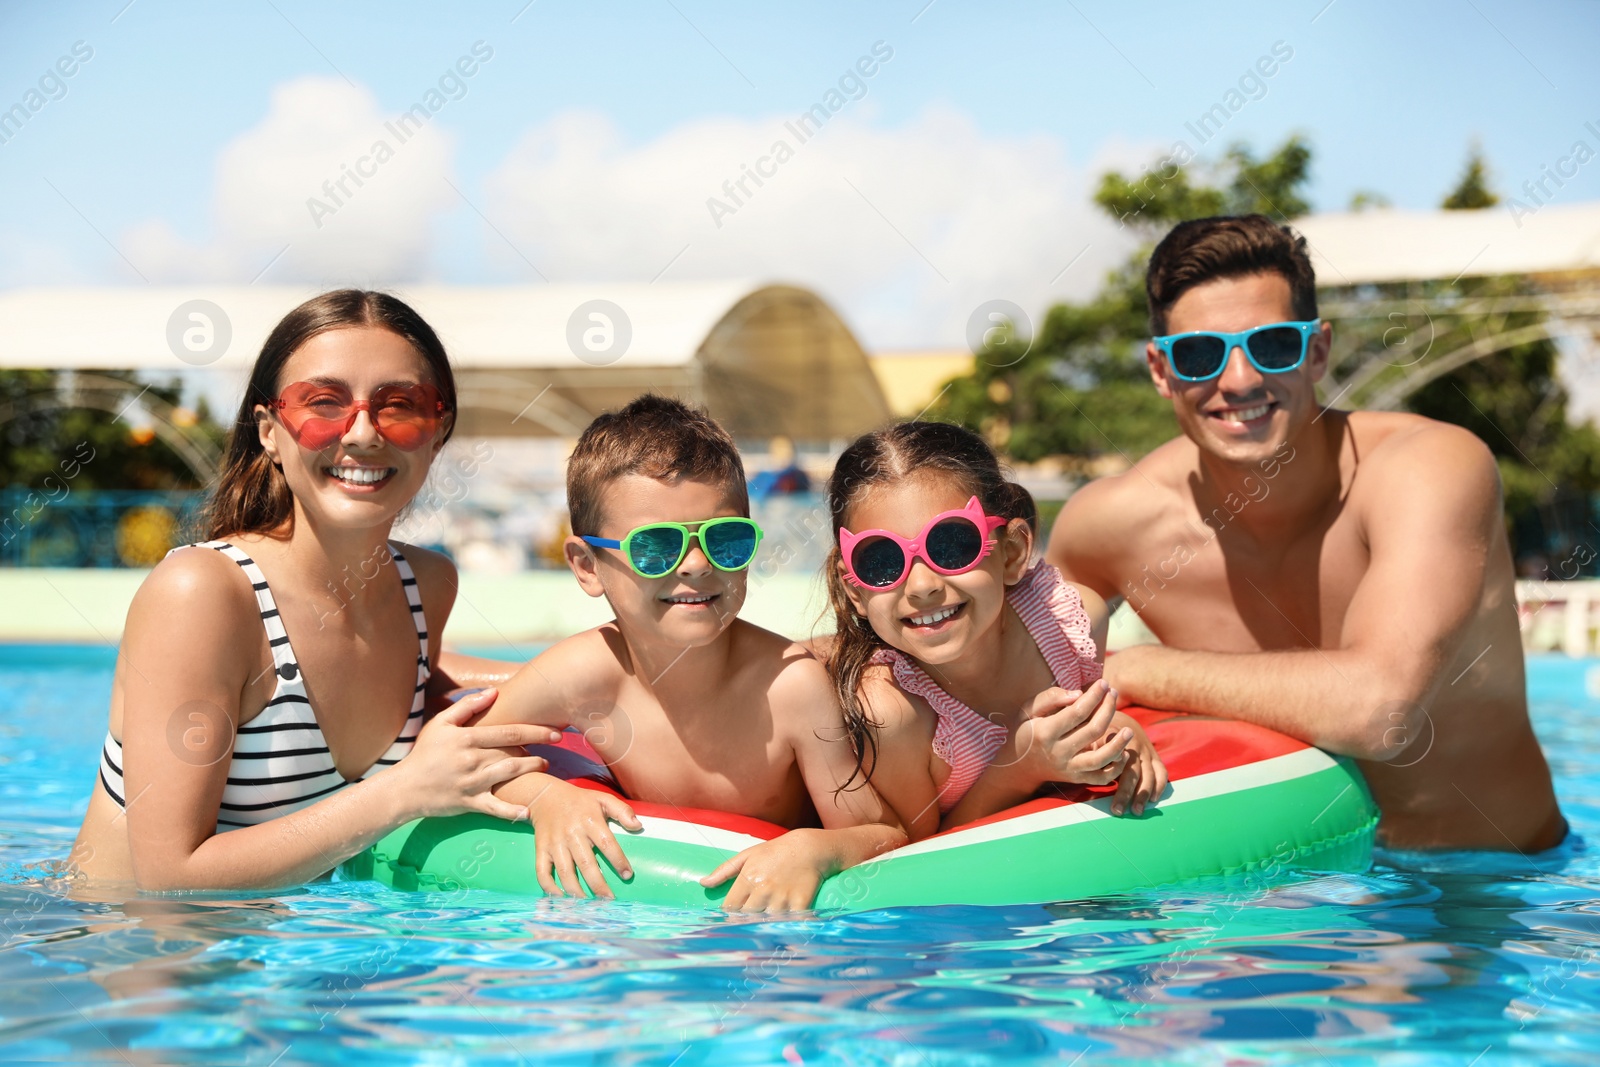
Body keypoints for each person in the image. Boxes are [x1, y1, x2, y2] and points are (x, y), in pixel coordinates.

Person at [1047, 214, 1565, 853]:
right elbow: (1016, 694)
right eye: (1201, 353)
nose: (1238, 381)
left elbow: (1381, 712)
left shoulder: (1427, 467)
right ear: (1161, 369)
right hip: (1295, 895)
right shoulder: (1111, 527)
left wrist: (1140, 670)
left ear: (1316, 351)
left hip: (1493, 889)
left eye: (1271, 346)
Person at [71, 290, 559, 889]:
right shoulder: (203, 594)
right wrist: (403, 791)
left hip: (291, 965)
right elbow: (171, 878)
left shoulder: (425, 587)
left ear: (439, 430)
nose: (361, 434)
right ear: (270, 431)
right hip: (137, 959)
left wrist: (604, 678)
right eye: (323, 403)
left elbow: (421, 673)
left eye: (398, 405)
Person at [474, 395, 907, 912]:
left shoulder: (790, 688)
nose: (696, 564)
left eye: (725, 540)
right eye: (656, 546)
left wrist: (816, 848)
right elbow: (466, 753)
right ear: (587, 565)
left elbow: (882, 834)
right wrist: (548, 798)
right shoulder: (584, 672)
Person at [822, 421, 1167, 841]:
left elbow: (1080, 729)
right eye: (881, 561)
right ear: (853, 588)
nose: (922, 586)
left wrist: (1117, 730)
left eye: (950, 545)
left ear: (1012, 552)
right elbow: (918, 853)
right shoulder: (890, 711)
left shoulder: (1071, 624)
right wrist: (1019, 767)